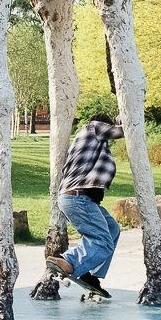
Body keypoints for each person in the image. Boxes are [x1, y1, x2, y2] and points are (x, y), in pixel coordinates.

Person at [46, 113, 124, 299]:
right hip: (78, 197)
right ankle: (68, 261)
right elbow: (123, 131)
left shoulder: (92, 142)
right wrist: (126, 116)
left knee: (112, 228)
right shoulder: (93, 128)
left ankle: (90, 274)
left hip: (80, 198)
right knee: (102, 242)